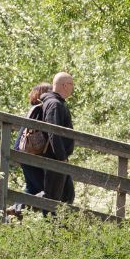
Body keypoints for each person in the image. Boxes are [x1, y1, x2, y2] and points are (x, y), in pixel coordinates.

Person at [40, 72, 75, 204]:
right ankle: (18, 208)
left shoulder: (54, 103)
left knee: (68, 195)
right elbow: (53, 132)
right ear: (65, 85)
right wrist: (61, 158)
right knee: (51, 197)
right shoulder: (55, 104)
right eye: (71, 84)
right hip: (55, 158)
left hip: (59, 157)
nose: (72, 88)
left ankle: (61, 225)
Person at [15, 82, 52, 196]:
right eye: (50, 91)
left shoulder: (33, 109)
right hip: (29, 151)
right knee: (44, 188)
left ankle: (15, 211)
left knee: (32, 187)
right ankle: (17, 210)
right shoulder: (39, 110)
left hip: (22, 150)